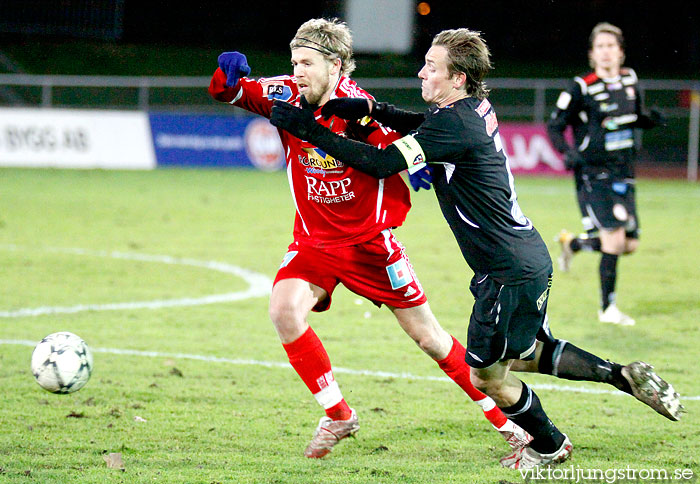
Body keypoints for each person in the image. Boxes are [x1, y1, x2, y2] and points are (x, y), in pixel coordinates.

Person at [269, 27, 684, 469]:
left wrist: (309, 129)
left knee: (486, 376)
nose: (421, 72)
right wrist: (375, 109)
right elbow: (426, 126)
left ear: (458, 78)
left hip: (505, 271)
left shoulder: (454, 123)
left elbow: (382, 162)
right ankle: (622, 376)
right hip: (525, 259)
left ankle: (549, 445)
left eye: (432, 67)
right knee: (524, 355)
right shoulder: (471, 110)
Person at [208, 18, 530, 459]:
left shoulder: (358, 106)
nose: (297, 71)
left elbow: (396, 152)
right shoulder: (284, 92)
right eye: (294, 62)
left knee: (430, 338)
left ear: (335, 65)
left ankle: (509, 425)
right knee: (283, 310)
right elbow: (235, 91)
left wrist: (419, 166)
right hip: (314, 241)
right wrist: (225, 78)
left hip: (369, 245)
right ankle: (339, 415)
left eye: (307, 63)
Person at [547, 22, 664, 326]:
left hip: (624, 170)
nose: (606, 52)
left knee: (629, 245)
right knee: (613, 239)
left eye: (611, 46)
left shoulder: (630, 80)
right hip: (593, 171)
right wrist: (567, 151)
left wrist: (649, 121)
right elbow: (555, 125)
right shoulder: (581, 87)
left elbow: (635, 116)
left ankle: (573, 244)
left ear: (621, 52)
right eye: (600, 47)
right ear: (592, 54)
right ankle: (607, 309)